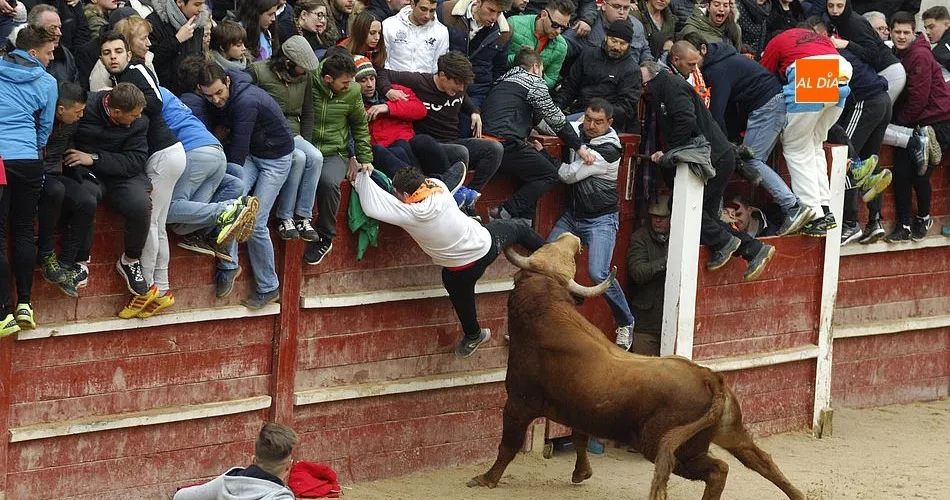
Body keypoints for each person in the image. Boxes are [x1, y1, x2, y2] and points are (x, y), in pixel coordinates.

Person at [355, 165, 546, 356]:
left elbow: (371, 206)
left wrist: (361, 175)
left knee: (453, 283)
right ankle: (551, 251)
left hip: (459, 268)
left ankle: (473, 335)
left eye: (396, 193)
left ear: (406, 195)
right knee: (519, 227)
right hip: (483, 246)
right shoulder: (439, 187)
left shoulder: (411, 214)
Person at [640, 60, 776, 279]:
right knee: (707, 218)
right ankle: (754, 250)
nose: (643, 90)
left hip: (713, 160)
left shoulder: (671, 87)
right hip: (717, 157)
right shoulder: (668, 87)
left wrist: (669, 154)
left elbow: (685, 120)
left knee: (686, 209)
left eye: (644, 84)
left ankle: (728, 243)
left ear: (653, 79)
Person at [189, 61, 296, 308]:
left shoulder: (246, 101)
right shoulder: (227, 95)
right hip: (255, 153)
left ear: (228, 82)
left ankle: (269, 287)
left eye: (219, 93)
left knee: (256, 221)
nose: (215, 99)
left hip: (276, 159)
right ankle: (229, 264)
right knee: (232, 206)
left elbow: (238, 148)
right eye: (209, 95)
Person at [102, 30, 187, 318]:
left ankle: (148, 288)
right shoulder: (120, 78)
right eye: (106, 53)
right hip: (166, 153)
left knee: (150, 222)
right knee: (158, 224)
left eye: (117, 51)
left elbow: (157, 102)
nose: (112, 57)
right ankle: (160, 289)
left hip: (163, 153)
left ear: (128, 53)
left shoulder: (137, 69)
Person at [694, 39, 813, 235]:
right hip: (770, 104)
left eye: (694, 59)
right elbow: (727, 112)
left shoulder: (716, 69)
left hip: (767, 106)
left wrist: (723, 144)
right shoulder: (725, 60)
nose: (692, 66)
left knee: (751, 161)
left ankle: (792, 207)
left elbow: (717, 112)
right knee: (752, 160)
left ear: (703, 49)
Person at [546, 99, 636, 351]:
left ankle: (626, 322)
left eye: (598, 122)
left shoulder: (609, 149)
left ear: (610, 123)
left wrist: (543, 154)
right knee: (545, 264)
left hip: (601, 220)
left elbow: (567, 175)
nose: (591, 125)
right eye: (588, 119)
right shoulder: (579, 126)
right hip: (573, 216)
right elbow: (555, 121)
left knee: (598, 273)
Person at [160, 85, 258, 301]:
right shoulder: (169, 94)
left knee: (165, 212)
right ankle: (210, 233)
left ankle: (226, 211)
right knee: (234, 185)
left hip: (194, 154)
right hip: (216, 150)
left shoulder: (149, 98)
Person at [375, 51, 503, 215]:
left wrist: (474, 111)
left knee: (495, 149)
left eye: (464, 85)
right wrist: (387, 91)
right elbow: (382, 72)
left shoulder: (458, 88)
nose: (461, 89)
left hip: (454, 139)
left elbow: (464, 99)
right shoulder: (419, 81)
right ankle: (454, 199)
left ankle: (467, 198)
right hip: (430, 145)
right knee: (460, 152)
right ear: (442, 76)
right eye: (457, 83)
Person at [481, 47, 595, 223]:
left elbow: (529, 116)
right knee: (548, 173)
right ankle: (503, 212)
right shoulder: (533, 82)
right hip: (504, 144)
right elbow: (555, 119)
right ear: (536, 67)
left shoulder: (502, 81)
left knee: (532, 165)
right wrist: (579, 146)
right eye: (542, 70)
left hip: (485, 145)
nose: (542, 74)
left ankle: (524, 222)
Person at [760, 27, 852, 237]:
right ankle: (825, 208)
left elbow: (763, 76)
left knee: (795, 148)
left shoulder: (777, 40)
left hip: (813, 72)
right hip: (842, 74)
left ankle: (813, 213)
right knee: (815, 143)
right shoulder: (819, 38)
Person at [72, 83, 153, 317]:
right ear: (116, 112)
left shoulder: (140, 122)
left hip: (120, 174)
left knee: (140, 204)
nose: (138, 119)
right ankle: (80, 263)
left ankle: (130, 260)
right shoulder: (85, 106)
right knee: (86, 198)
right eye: (134, 115)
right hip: (85, 171)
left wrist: (95, 158)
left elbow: (135, 161)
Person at [0, 26, 57, 334]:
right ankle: (25, 303)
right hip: (27, 159)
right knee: (23, 231)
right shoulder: (47, 82)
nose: (52, 58)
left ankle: (2, 313)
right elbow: (44, 129)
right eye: (49, 53)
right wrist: (31, 152)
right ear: (33, 53)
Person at [248, 35, 324, 242]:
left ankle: (303, 215)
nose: (305, 72)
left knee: (315, 157)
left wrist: (306, 139)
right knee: (298, 158)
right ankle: (284, 217)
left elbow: (308, 110)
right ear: (288, 62)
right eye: (301, 67)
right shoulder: (258, 72)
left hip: (294, 131)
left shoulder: (304, 77)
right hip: (269, 132)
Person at [883, 12, 950, 243]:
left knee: (920, 173)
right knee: (901, 173)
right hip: (912, 122)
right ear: (891, 32)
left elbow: (918, 100)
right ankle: (903, 225)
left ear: (914, 32)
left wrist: (895, 123)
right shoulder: (897, 52)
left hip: (936, 121)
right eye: (897, 32)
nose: (901, 36)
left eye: (906, 32)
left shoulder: (919, 55)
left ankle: (922, 217)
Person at [303, 52, 373, 266]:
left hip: (335, 151)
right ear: (327, 79)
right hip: (305, 147)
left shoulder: (352, 91)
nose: (349, 86)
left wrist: (364, 157)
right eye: (344, 82)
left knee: (329, 182)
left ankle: (325, 237)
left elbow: (360, 125)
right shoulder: (309, 81)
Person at [354, 55, 462, 186]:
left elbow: (420, 110)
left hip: (408, 143)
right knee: (386, 150)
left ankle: (444, 182)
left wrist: (388, 107)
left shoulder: (394, 91)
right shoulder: (355, 103)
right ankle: (425, 186)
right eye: (363, 81)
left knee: (423, 141)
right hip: (385, 150)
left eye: (372, 79)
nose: (370, 84)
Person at [36, 82, 101, 298]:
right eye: (78, 112)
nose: (81, 116)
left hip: (58, 172)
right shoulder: (37, 117)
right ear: (61, 110)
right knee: (55, 190)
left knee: (88, 200)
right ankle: (46, 254)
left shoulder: (72, 122)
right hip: (34, 174)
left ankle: (64, 266)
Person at [555, 20, 641, 133]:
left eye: (622, 44)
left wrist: (596, 116)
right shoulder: (588, 55)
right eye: (613, 41)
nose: (617, 47)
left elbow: (625, 108)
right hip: (579, 112)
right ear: (606, 37)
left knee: (562, 129)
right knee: (549, 124)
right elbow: (569, 88)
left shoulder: (631, 70)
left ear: (629, 45)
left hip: (608, 123)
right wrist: (554, 109)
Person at [173, 422, 298, 500]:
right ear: (288, 467)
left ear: (253, 461)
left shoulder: (229, 480)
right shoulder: (281, 497)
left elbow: (180, 497)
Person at [825, 0, 905, 104]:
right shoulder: (835, 22)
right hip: (876, 72)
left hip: (888, 71)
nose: (835, 11)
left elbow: (873, 55)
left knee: (873, 111)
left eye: (839, 6)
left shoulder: (855, 23)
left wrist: (848, 44)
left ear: (847, 5)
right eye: (830, 6)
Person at [438, 0, 512, 107]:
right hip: (445, 80)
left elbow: (499, 67)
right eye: (491, 10)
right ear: (478, 2)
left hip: (477, 89)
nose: (494, 17)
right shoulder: (446, 11)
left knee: (468, 122)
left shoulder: (505, 32)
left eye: (499, 13)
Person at [625, 195, 669, 356]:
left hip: (672, 324)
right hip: (646, 324)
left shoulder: (681, 237)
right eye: (655, 217)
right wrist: (665, 262)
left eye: (663, 217)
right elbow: (637, 272)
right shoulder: (640, 237)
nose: (658, 221)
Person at [505, 0, 574, 88]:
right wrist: (520, 58)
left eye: (563, 27)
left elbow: (551, 81)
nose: (558, 31)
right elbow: (497, 60)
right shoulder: (514, 24)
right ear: (544, 15)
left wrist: (538, 72)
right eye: (555, 25)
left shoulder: (561, 46)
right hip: (507, 81)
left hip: (534, 90)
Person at [563, 0, 652, 68]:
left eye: (626, 8)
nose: (621, 12)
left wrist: (647, 67)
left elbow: (645, 51)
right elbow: (561, 48)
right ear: (604, 6)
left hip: (627, 82)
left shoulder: (637, 26)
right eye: (616, 6)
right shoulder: (589, 25)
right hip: (593, 82)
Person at [147, 0, 209, 95]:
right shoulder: (154, 23)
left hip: (194, 90)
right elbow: (151, 60)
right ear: (180, 2)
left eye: (203, 3)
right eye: (197, 4)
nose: (202, 9)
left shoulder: (198, 23)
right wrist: (176, 40)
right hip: (166, 92)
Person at [382, 0, 449, 73]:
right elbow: (383, 60)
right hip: (393, 80)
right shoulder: (389, 25)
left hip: (425, 81)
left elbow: (438, 66)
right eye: (423, 9)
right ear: (413, 4)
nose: (427, 16)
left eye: (432, 11)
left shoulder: (441, 31)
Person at [27, 4, 79, 83]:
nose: (59, 33)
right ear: (36, 29)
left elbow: (75, 88)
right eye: (52, 28)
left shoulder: (66, 54)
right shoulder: (20, 57)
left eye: (59, 27)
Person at [923, 5, 950, 80]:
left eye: (931, 27)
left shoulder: (939, 53)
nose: (927, 32)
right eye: (926, 28)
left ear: (947, 24)